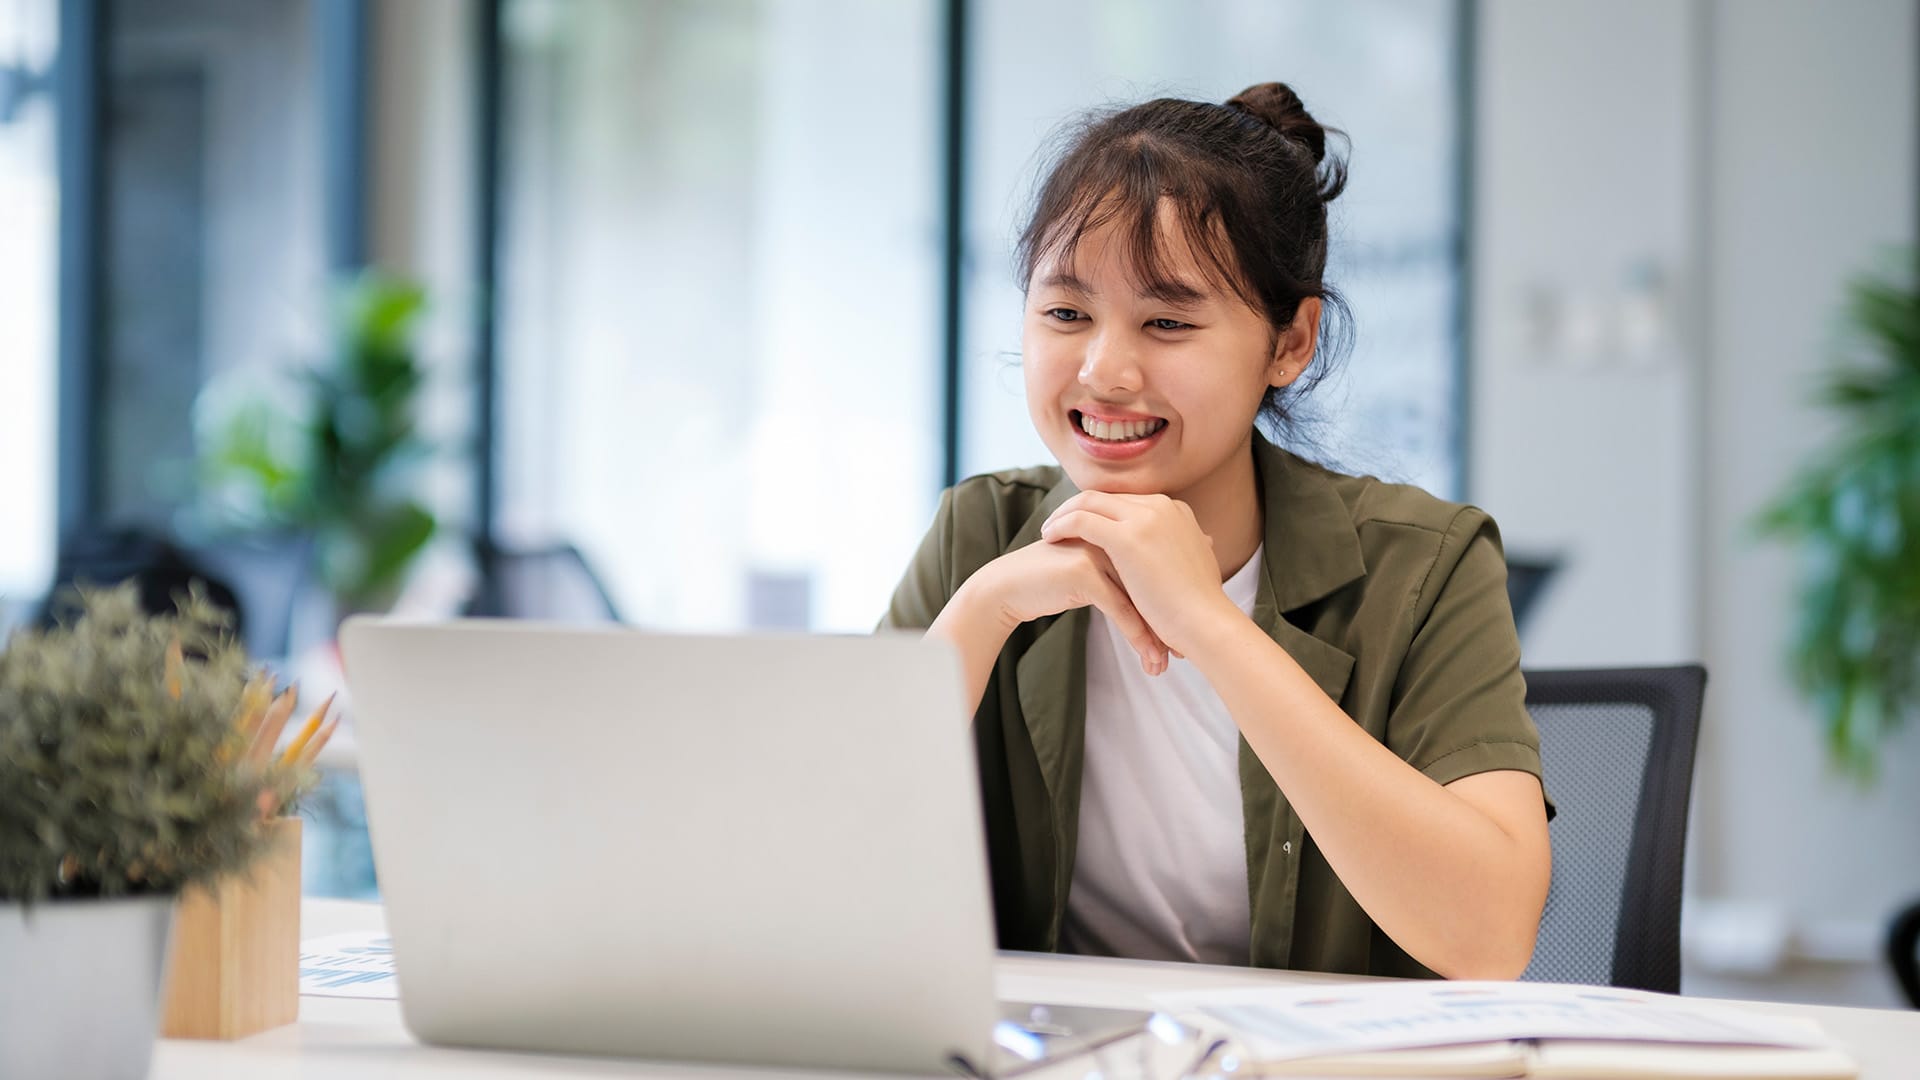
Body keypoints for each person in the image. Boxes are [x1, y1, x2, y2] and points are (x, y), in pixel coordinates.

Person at [882, 82, 1551, 980]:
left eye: (1168, 322)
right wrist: (987, 608)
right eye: (1066, 314)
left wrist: (1209, 624)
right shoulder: (982, 535)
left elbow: (1489, 937)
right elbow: (817, 890)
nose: (1104, 370)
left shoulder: (1426, 562)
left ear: (1290, 343)